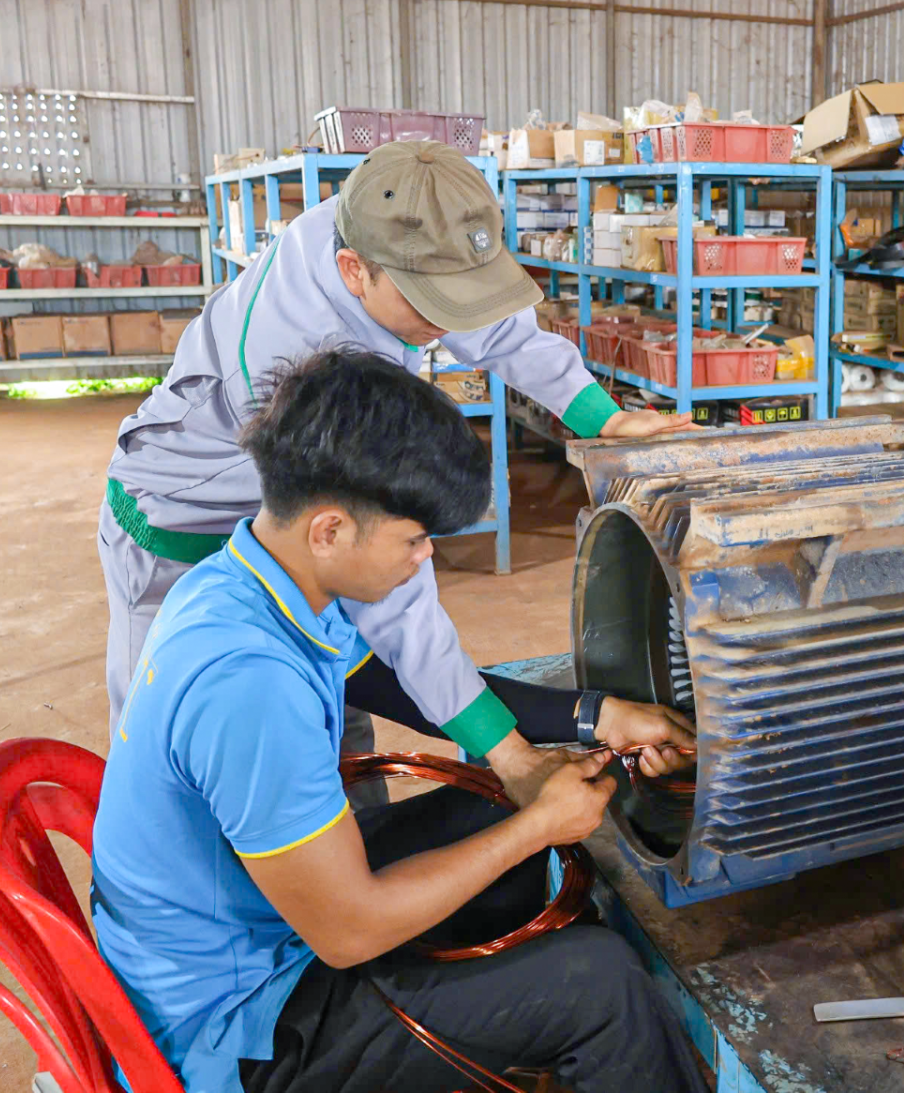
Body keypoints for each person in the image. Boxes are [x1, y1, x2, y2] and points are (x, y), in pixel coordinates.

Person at [93, 349, 707, 1093]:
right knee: (601, 985)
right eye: (415, 539)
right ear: (330, 529)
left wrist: (594, 717)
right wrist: (539, 825)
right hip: (242, 1022)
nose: (424, 561)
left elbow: (402, 687)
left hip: (244, 911)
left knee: (493, 815)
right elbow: (349, 933)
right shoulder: (248, 684)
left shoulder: (248, 583)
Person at [99, 141, 691, 784]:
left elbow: (493, 327)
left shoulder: (387, 224)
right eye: (428, 304)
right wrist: (510, 756)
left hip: (291, 528)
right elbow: (400, 610)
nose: (446, 323)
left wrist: (603, 419)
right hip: (179, 532)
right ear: (354, 270)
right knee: (178, 746)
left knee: (334, 705)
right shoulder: (300, 362)